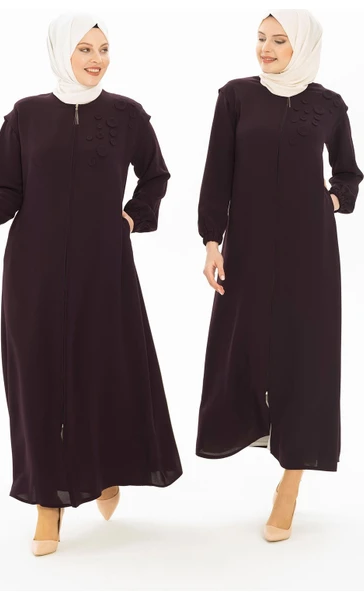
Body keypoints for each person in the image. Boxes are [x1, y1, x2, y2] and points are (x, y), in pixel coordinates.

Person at [0, 11, 182, 556]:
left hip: (104, 267)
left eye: (104, 49)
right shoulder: (26, 115)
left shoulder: (126, 114)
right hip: (35, 269)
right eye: (85, 49)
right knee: (39, 380)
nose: (97, 59)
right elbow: (6, 189)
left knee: (105, 370)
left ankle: (108, 470)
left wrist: (133, 216)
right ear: (61, 52)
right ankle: (47, 503)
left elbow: (156, 174)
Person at [196, 9, 363, 542]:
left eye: (279, 41)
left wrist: (330, 201)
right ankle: (251, 428)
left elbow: (348, 174)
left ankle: (290, 482)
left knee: (305, 353)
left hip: (309, 249)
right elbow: (217, 172)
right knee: (241, 346)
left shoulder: (329, 104)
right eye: (261, 39)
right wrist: (212, 240)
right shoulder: (236, 96)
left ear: (303, 47)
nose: (265, 49)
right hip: (246, 248)